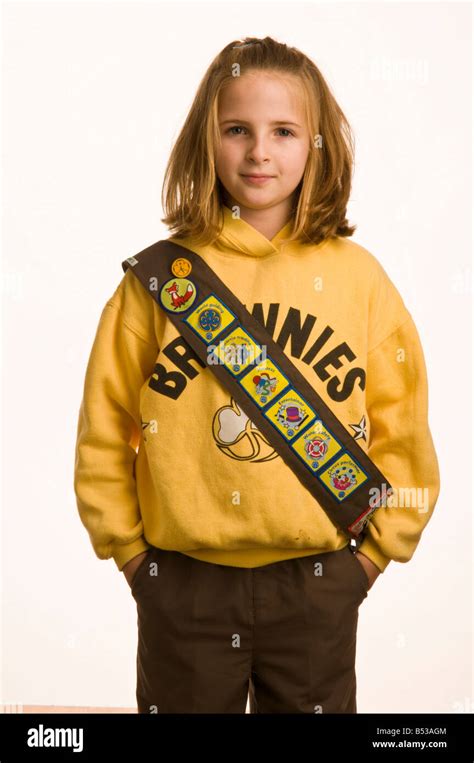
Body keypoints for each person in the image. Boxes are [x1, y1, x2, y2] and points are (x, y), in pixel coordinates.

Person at [73, 36, 440, 714]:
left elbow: (403, 428)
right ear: (204, 141)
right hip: (182, 584)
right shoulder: (157, 283)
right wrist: (131, 558)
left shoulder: (359, 281)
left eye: (284, 131)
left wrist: (370, 559)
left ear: (317, 146)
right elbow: (104, 428)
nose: (259, 152)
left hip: (319, 580)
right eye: (236, 129)